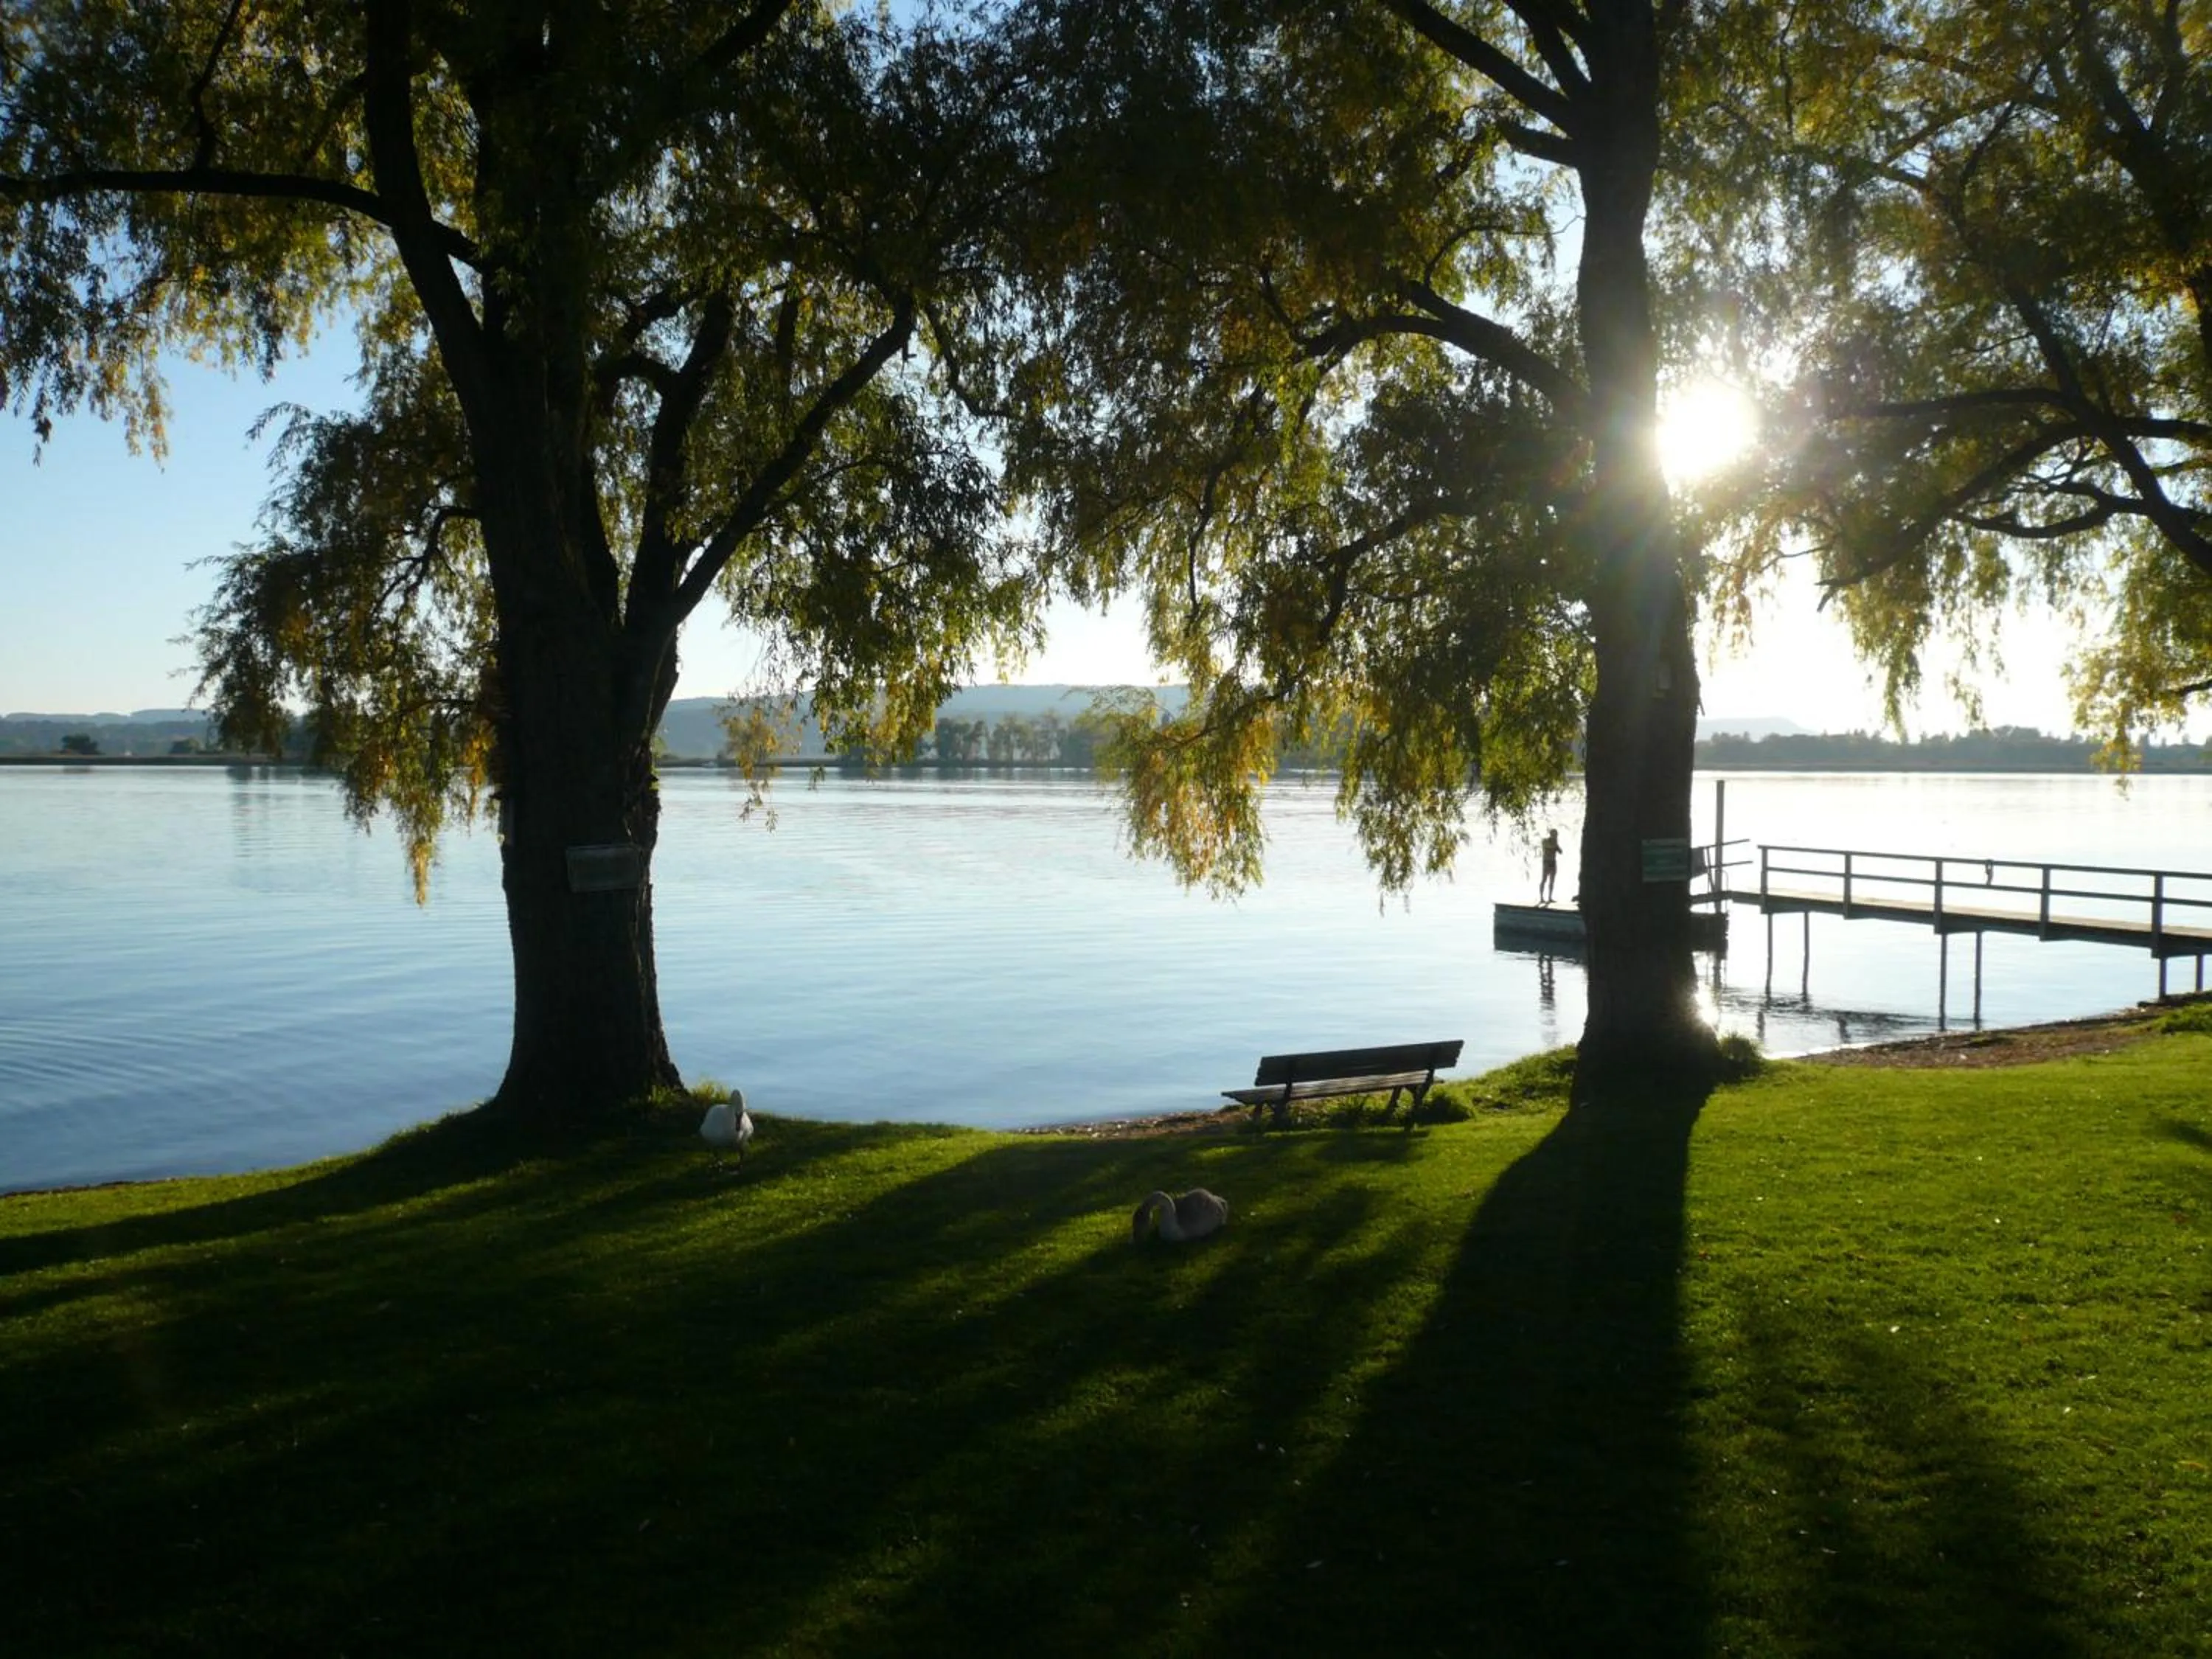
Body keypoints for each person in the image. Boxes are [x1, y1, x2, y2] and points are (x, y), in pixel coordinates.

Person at [1538, 827, 1562, 905]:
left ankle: (1550, 897)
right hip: (1546, 862)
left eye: (1556, 835)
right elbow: (1550, 847)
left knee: (1552, 881)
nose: (1556, 836)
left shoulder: (1555, 842)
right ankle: (1541, 898)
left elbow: (1560, 851)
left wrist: (1557, 846)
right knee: (1544, 880)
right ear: (1551, 834)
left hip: (1553, 862)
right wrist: (1555, 845)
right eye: (1555, 834)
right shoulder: (1545, 841)